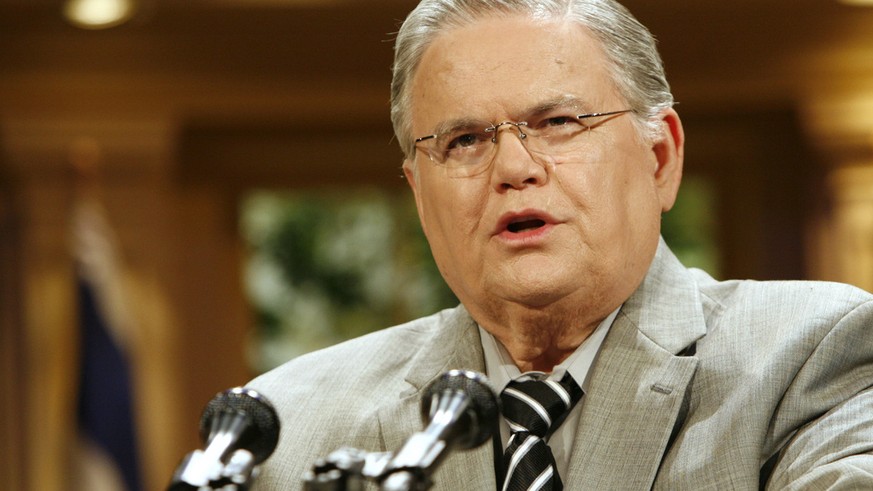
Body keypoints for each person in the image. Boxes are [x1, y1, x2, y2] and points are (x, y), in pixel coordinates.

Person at [248, 0, 873, 489]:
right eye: (464, 139)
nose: (513, 166)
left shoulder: (811, 355)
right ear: (419, 194)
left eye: (558, 123)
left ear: (659, 160)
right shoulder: (288, 427)